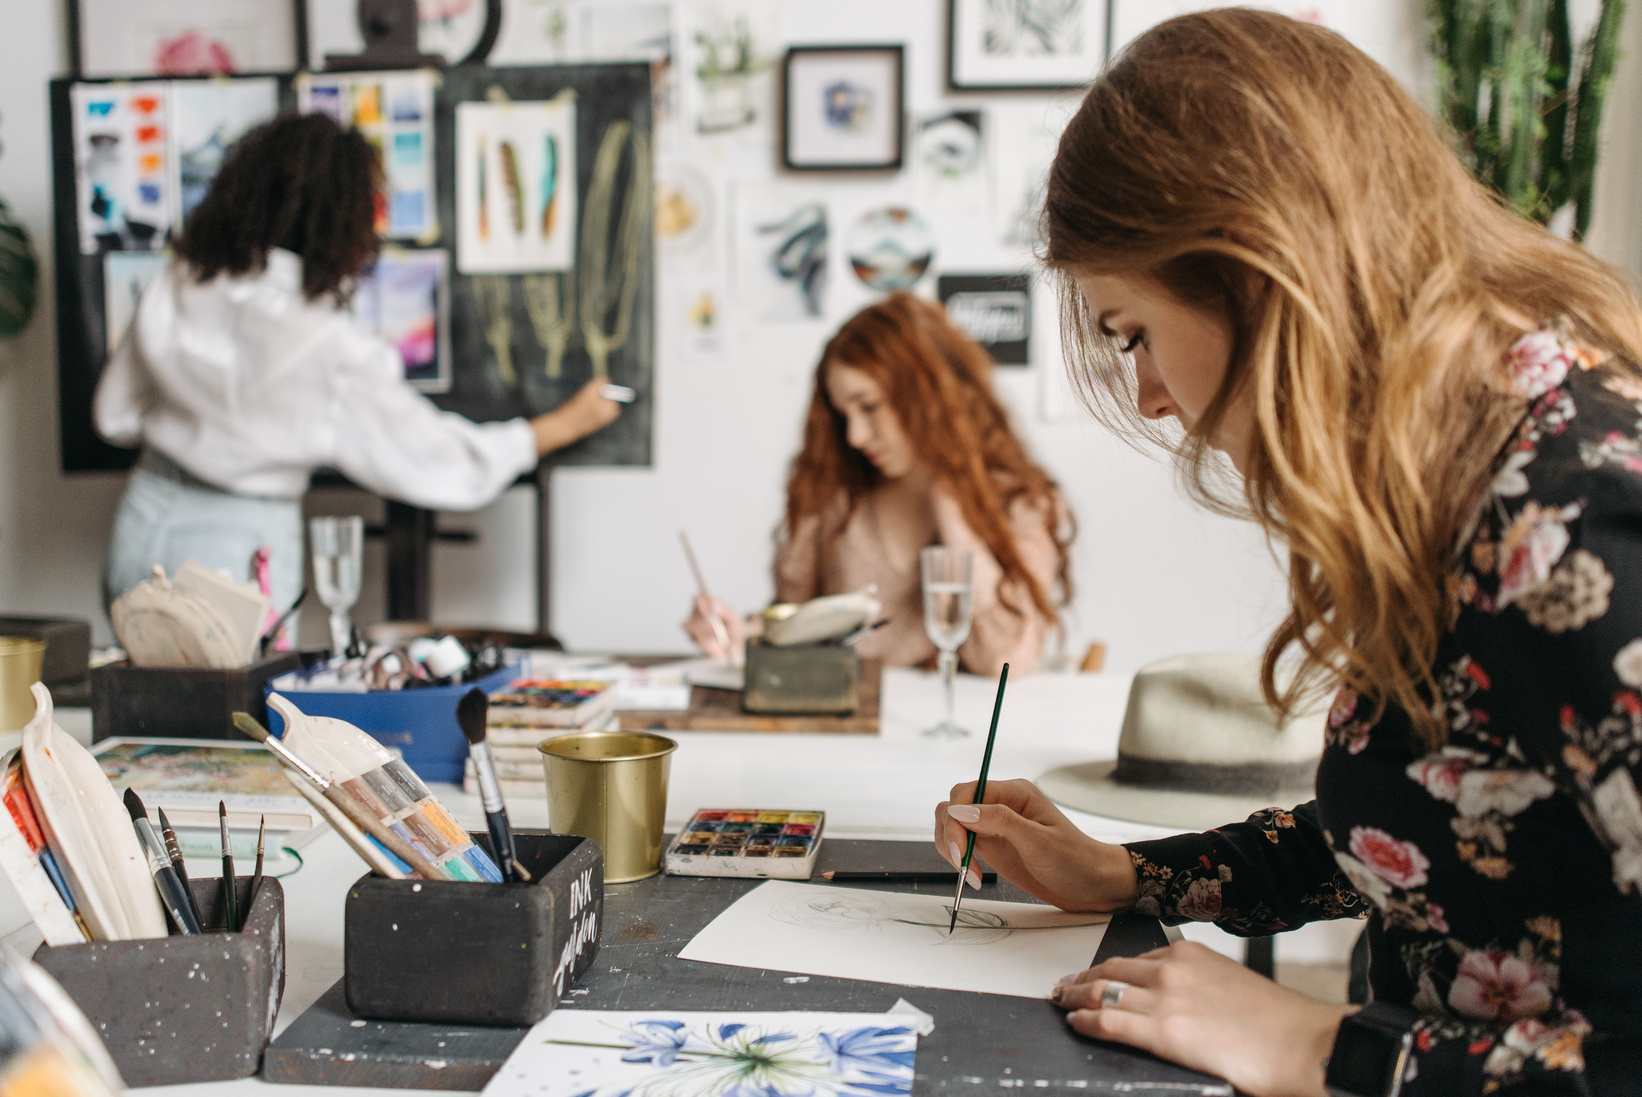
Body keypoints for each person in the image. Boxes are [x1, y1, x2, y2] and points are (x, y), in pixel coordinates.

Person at [934, 10, 1642, 1096]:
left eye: (1131, 331)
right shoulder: (1461, 466)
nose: (1149, 396)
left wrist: (1318, 1044)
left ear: (1252, 266)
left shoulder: (1581, 530)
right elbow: (1453, 825)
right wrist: (1134, 873)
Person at [95, 113, 621, 621]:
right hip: (238, 545)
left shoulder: (180, 280)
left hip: (144, 518)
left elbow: (112, 416)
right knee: (235, 712)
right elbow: (440, 461)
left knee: (133, 704)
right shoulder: (334, 348)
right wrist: (561, 426)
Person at [684, 292, 1073, 675]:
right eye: (844, 415)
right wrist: (740, 633)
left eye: (869, 406)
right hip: (850, 729)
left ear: (928, 395)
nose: (854, 435)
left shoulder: (1021, 503)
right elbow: (801, 629)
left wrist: (952, 505)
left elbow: (1006, 661)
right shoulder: (837, 497)